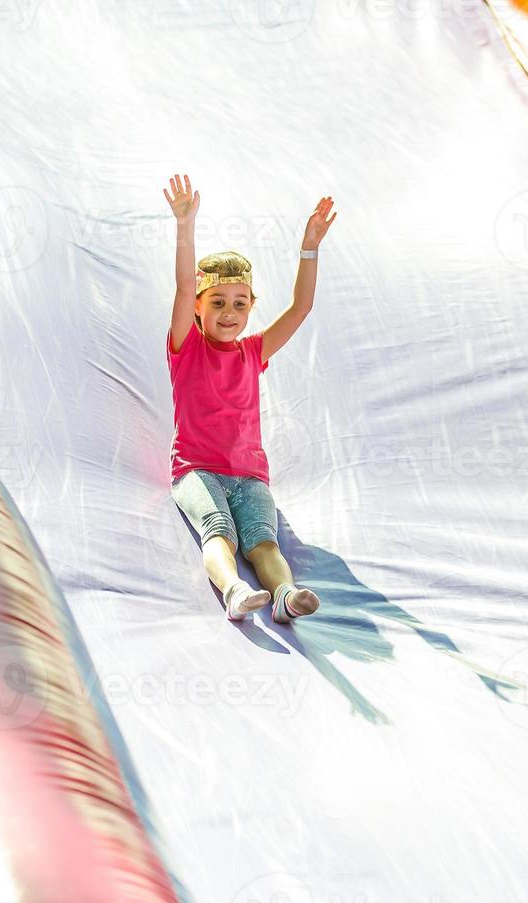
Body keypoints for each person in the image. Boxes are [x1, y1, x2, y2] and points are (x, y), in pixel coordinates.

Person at [163, 173, 336, 621]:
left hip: (249, 474)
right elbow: (185, 285)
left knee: (262, 540)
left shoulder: (253, 351)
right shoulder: (187, 348)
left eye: (240, 304)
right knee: (218, 530)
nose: (229, 313)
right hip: (198, 471)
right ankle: (235, 590)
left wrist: (309, 246)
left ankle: (284, 596)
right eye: (217, 302)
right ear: (199, 307)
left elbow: (301, 307)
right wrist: (186, 227)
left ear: (251, 307)